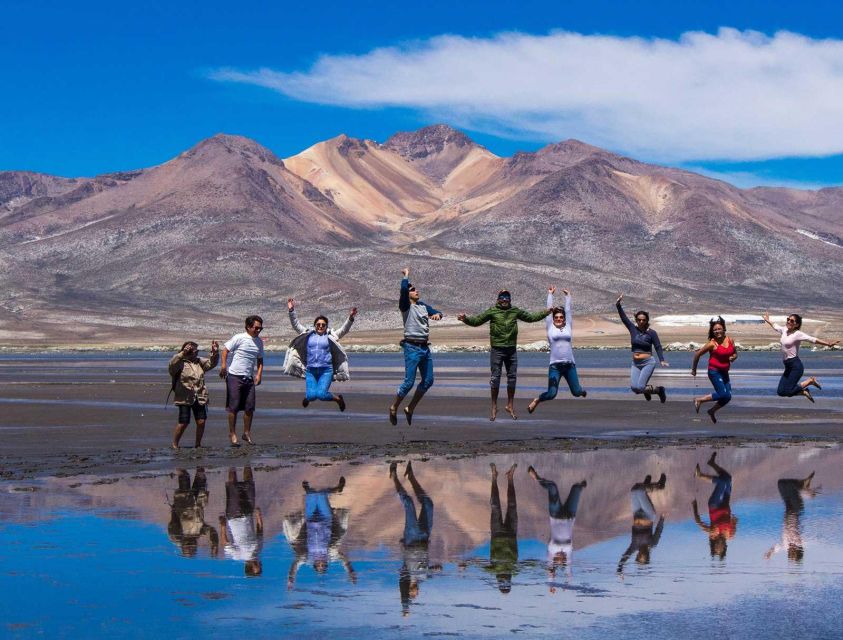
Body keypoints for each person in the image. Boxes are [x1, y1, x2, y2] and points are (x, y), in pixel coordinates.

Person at [458, 290, 549, 420]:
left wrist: (546, 312)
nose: (505, 299)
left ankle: (510, 405)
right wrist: (465, 319)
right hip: (497, 349)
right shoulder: (492, 311)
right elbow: (477, 321)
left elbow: (531, 318)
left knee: (512, 378)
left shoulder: (515, 311)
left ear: (510, 299)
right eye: (502, 297)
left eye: (507, 297)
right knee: (495, 378)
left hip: (511, 350)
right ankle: (494, 406)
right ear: (498, 299)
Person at [389, 268, 443, 426]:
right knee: (409, 382)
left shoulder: (423, 306)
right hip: (412, 348)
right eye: (413, 290)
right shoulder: (406, 306)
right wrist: (406, 277)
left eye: (416, 289)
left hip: (425, 348)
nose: (416, 291)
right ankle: (394, 407)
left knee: (428, 380)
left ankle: (410, 408)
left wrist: (438, 315)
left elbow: (438, 312)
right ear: (408, 294)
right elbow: (403, 289)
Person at [284, 298, 357, 411]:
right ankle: (308, 397)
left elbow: (344, 330)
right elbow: (296, 325)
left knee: (322, 395)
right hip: (311, 371)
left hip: (326, 371)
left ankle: (338, 399)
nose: (320, 326)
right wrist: (291, 310)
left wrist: (351, 318)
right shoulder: (308, 335)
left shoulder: (330, 336)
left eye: (323, 325)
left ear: (326, 326)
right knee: (312, 396)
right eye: (318, 324)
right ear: (314, 325)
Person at [284, 475, 355, 589]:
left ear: (315, 565)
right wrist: (350, 571)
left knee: (311, 494)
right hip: (325, 518)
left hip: (310, 518)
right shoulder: (330, 554)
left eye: (319, 566)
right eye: (323, 565)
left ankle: (310, 491)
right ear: (326, 564)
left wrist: (291, 578)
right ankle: (337, 489)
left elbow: (295, 564)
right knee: (321, 494)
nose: (321, 563)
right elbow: (343, 559)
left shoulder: (307, 557)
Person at [391, 461, 440, 615]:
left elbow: (404, 596)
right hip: (425, 537)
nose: (416, 594)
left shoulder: (406, 576)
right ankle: (411, 476)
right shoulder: (424, 577)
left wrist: (406, 608)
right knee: (428, 504)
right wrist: (437, 568)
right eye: (416, 595)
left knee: (409, 503)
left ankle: (394, 477)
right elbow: (435, 570)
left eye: (412, 595)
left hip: (411, 539)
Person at [527, 286, 586, 415]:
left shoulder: (568, 326)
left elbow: (569, 311)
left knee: (576, 392)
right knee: (552, 393)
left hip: (570, 365)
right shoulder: (550, 328)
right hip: (555, 367)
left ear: (564, 318)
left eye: (561, 317)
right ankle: (537, 400)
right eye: (556, 317)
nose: (558, 319)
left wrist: (568, 297)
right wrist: (550, 295)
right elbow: (549, 311)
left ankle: (582, 391)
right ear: (553, 318)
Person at [527, 465, 586, 588]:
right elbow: (569, 570)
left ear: (554, 559)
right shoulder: (568, 551)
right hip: (570, 514)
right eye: (562, 560)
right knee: (577, 488)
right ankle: (580, 487)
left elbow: (550, 568)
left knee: (552, 487)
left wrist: (552, 584)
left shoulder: (552, 550)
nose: (561, 557)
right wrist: (567, 582)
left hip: (556, 514)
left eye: (558, 559)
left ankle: (536, 478)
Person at [762, 312, 838, 402]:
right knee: (781, 392)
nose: (789, 322)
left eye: (791, 321)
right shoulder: (784, 330)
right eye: (788, 319)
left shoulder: (797, 334)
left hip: (795, 366)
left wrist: (828, 344)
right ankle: (803, 392)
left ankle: (810, 381)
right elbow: (775, 326)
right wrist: (768, 320)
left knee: (788, 390)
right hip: (788, 366)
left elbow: (812, 339)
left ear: (796, 324)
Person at [219, 316, 264, 445]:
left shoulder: (259, 342)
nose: (258, 330)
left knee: (249, 407)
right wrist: (223, 366)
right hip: (234, 376)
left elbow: (260, 360)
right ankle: (232, 433)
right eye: (256, 328)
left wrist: (259, 374)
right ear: (248, 327)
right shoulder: (239, 338)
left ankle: (246, 433)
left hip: (249, 378)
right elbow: (225, 351)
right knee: (234, 407)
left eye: (260, 328)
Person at [616, 294, 669, 401]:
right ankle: (647, 390)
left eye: (643, 320)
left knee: (640, 387)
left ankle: (659, 390)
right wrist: (618, 305)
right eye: (639, 320)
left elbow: (658, 346)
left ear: (647, 320)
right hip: (635, 363)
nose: (641, 322)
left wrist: (662, 360)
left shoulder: (652, 333)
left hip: (648, 362)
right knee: (634, 389)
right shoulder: (632, 329)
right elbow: (624, 318)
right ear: (636, 320)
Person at [168, 340, 219, 449]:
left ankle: (198, 444)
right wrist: (183, 353)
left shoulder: (199, 362)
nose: (195, 352)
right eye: (192, 350)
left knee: (201, 421)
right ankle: (175, 444)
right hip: (184, 397)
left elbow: (212, 363)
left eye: (196, 350)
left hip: (199, 395)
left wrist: (215, 353)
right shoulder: (179, 362)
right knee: (183, 422)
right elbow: (171, 365)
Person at [617, 472, 666, 575]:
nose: (642, 555)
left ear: (637, 556)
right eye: (644, 557)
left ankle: (646, 484)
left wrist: (620, 568)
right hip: (649, 515)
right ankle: (659, 486)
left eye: (640, 557)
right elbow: (658, 531)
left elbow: (625, 556)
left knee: (634, 490)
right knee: (639, 491)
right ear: (647, 556)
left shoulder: (634, 546)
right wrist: (662, 519)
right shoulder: (652, 544)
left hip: (637, 513)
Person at [691, 317, 738, 423]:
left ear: (724, 329)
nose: (717, 331)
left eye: (719, 329)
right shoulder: (712, 344)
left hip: (724, 372)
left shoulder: (730, 340)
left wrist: (734, 357)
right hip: (714, 371)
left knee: (728, 397)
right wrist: (694, 369)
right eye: (715, 330)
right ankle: (699, 400)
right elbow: (697, 354)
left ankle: (712, 411)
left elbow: (735, 353)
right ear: (713, 332)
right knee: (722, 394)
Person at [219, 466, 263, 576]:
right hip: (248, 512)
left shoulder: (238, 556)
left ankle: (232, 463)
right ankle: (246, 461)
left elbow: (225, 543)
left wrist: (223, 526)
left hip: (234, 516)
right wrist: (258, 516)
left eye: (257, 568)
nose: (260, 565)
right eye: (259, 567)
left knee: (232, 486)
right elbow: (260, 532)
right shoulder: (258, 550)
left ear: (251, 567)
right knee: (248, 484)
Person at [692, 452, 737, 560]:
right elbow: (735, 520)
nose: (719, 545)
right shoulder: (731, 535)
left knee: (721, 483)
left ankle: (700, 475)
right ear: (724, 547)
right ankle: (711, 463)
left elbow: (698, 522)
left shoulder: (712, 533)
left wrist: (695, 507)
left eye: (716, 546)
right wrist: (734, 521)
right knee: (728, 479)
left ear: (714, 544)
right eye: (721, 548)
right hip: (725, 503)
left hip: (715, 505)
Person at [764, 472, 818, 563]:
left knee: (781, 483)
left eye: (790, 554)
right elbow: (808, 539)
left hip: (788, 507)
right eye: (793, 554)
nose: (790, 552)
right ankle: (803, 487)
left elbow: (777, 547)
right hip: (796, 508)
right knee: (789, 486)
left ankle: (803, 487)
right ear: (798, 551)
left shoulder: (785, 545)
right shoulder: (799, 542)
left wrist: (770, 552)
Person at [167, 467, 219, 558]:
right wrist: (214, 544)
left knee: (183, 476)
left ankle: (180, 458)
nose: (191, 546)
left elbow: (173, 523)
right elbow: (211, 531)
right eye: (193, 549)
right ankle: (199, 458)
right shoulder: (199, 532)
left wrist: (174, 509)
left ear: (183, 547)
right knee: (200, 475)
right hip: (199, 501)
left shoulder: (177, 536)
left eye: (188, 548)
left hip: (183, 503)